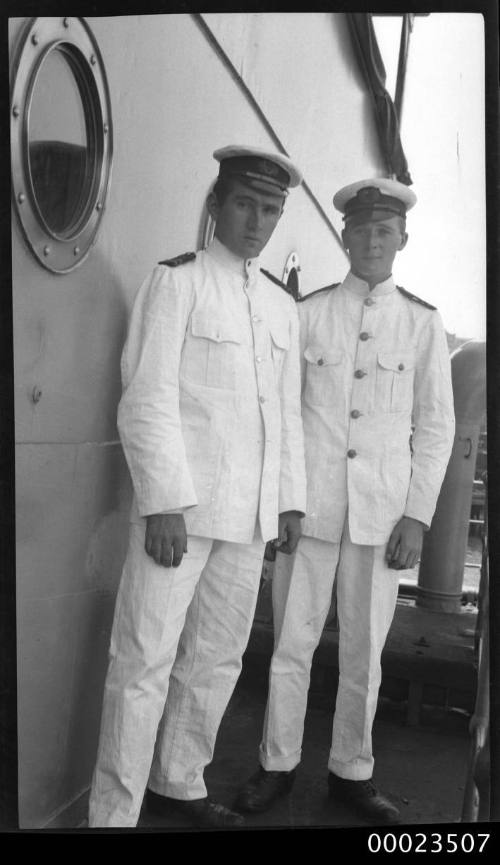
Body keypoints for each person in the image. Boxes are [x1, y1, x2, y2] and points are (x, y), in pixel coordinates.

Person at [88, 145, 307, 828]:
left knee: (215, 659)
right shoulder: (176, 281)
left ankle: (178, 778)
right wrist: (162, 501)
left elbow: (285, 412)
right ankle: (112, 815)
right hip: (179, 515)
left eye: (270, 209)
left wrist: (288, 501)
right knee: (144, 661)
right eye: (245, 202)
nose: (257, 220)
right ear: (216, 204)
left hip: (248, 519)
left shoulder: (280, 306)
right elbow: (147, 394)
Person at [235, 178, 455, 825]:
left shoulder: (422, 322)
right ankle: (276, 763)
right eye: (359, 229)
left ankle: (350, 771)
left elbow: (436, 427)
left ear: (401, 240)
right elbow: (284, 412)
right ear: (345, 236)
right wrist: (286, 499)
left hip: (383, 519)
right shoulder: (311, 312)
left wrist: (417, 515)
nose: (370, 241)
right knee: (292, 644)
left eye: (383, 230)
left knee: (365, 650)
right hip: (310, 512)